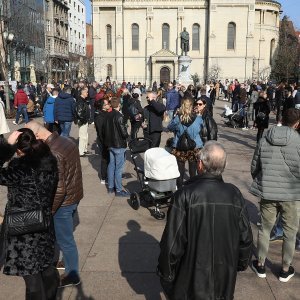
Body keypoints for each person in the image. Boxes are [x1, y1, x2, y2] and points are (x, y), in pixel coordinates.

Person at [157, 141, 253, 300]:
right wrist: (240, 263)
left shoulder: (185, 194)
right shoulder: (234, 194)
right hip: (224, 276)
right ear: (224, 165)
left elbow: (172, 242)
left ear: (200, 164)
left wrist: (166, 273)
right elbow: (246, 239)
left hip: (191, 278)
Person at [0, 128, 59, 299]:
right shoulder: (49, 160)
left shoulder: (19, 168)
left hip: (23, 230)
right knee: (46, 269)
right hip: (44, 223)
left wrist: (6, 147)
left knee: (32, 279)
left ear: (18, 150)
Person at [25, 121, 83, 287]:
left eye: (31, 140)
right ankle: (66, 265)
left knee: (66, 241)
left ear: (38, 136)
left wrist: (48, 211)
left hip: (63, 204)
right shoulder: (65, 141)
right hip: (73, 197)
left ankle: (73, 275)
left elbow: (59, 189)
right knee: (64, 238)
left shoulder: (54, 152)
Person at [250, 108, 300, 282]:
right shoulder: (298, 141)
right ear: (297, 123)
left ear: (280, 119)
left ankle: (261, 265)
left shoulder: (265, 139)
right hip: (292, 194)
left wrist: (259, 179)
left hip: (268, 191)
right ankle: (285, 269)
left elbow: (254, 165)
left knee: (265, 229)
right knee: (290, 232)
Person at [168, 97, 203, 188]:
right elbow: (201, 129)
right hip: (194, 146)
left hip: (180, 146)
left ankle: (180, 190)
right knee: (192, 171)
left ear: (182, 106)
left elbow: (169, 127)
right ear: (192, 106)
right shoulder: (198, 118)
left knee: (180, 171)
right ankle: (192, 190)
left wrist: (176, 116)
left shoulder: (177, 118)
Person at [103, 97, 129, 197]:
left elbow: (104, 130)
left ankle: (110, 187)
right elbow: (123, 133)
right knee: (118, 168)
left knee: (111, 165)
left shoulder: (108, 115)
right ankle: (118, 190)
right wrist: (127, 135)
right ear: (119, 105)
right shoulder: (119, 116)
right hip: (118, 145)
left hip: (110, 144)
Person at [94, 99, 111, 184]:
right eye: (108, 104)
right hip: (104, 141)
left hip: (108, 140)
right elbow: (100, 132)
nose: (109, 105)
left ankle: (108, 175)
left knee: (109, 159)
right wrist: (105, 142)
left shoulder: (107, 114)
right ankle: (104, 177)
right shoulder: (100, 117)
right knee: (105, 159)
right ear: (103, 106)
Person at [74, 87, 90, 156]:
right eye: (86, 92)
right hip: (82, 121)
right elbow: (79, 113)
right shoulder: (80, 101)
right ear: (83, 93)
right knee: (82, 136)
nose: (87, 93)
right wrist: (84, 120)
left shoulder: (83, 100)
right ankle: (81, 151)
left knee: (85, 136)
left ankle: (84, 149)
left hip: (85, 121)